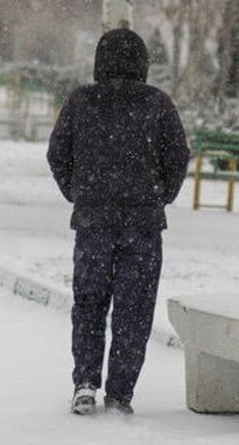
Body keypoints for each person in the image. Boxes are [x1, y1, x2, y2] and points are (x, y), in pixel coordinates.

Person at [47, 27, 191, 417]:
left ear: (100, 61)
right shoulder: (158, 104)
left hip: (93, 224)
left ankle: (85, 382)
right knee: (134, 309)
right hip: (142, 227)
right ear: (142, 63)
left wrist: (79, 193)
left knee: (89, 304)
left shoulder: (81, 102)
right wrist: (160, 196)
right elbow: (179, 158)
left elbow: (57, 154)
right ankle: (120, 393)